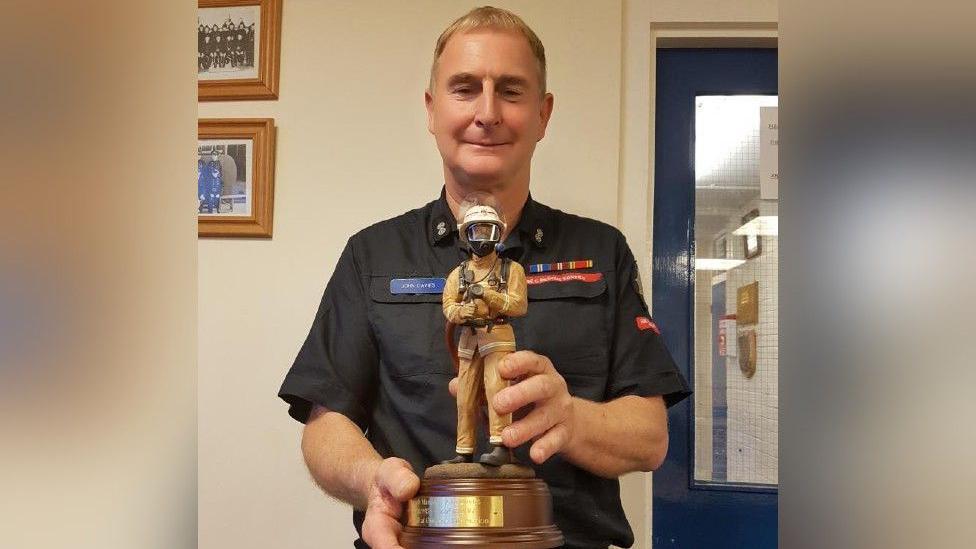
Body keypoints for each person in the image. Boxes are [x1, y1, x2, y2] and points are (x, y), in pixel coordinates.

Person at [278, 7, 689, 549]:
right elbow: (325, 426)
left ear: (544, 115)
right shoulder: (371, 255)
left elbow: (651, 438)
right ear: (432, 109)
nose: (487, 112)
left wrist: (570, 420)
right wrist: (374, 481)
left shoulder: (599, 251)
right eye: (465, 88)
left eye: (512, 91)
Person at [441, 197, 528, 467]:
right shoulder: (459, 273)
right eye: (475, 231)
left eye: (487, 231)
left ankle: (500, 445)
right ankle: (464, 449)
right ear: (466, 235)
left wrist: (488, 295)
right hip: (469, 340)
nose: (481, 238)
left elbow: (518, 305)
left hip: (497, 336)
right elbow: (448, 305)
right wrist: (460, 313)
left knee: (497, 390)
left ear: (499, 232)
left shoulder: (511, 269)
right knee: (465, 396)